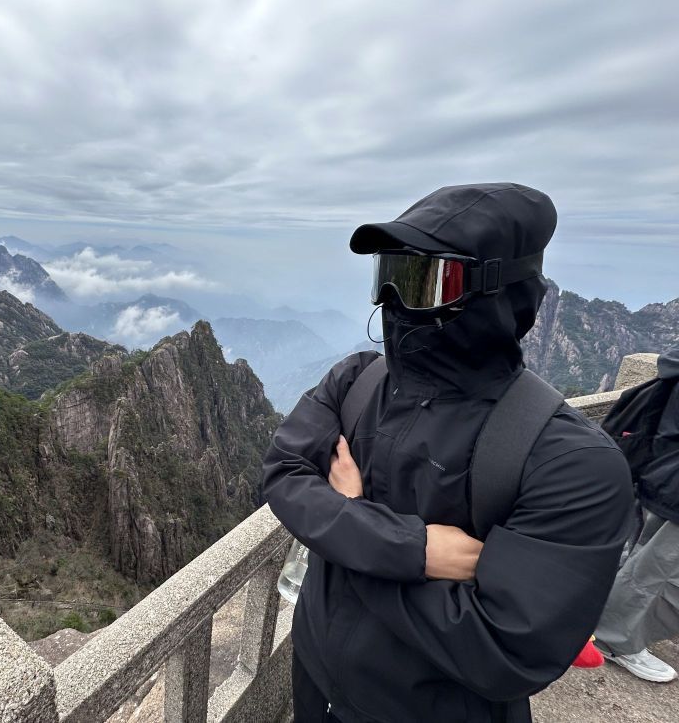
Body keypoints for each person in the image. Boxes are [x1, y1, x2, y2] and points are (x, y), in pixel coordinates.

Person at [262, 183, 634, 722]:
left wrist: (344, 525)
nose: (394, 299)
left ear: (500, 292)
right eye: (388, 274)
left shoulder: (572, 465)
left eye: (426, 281)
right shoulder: (357, 381)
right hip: (315, 685)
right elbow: (283, 474)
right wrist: (411, 550)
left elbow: (504, 650)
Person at [594, 346, 679, 683]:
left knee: (644, 559)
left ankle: (607, 622)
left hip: (662, 473)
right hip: (672, 484)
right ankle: (613, 639)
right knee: (657, 569)